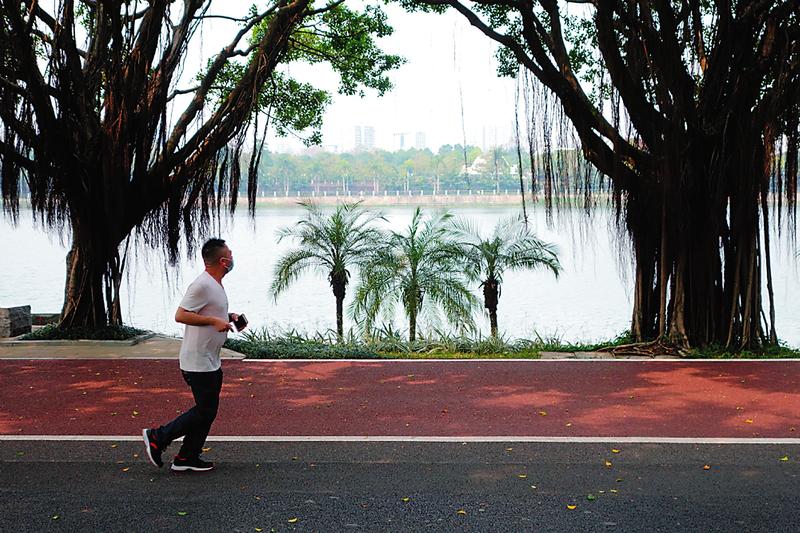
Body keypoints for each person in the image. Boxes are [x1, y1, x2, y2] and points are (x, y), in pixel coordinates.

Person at [143, 238, 245, 472]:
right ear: (223, 260)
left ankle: (187, 457)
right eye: (230, 254)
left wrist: (228, 317)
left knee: (207, 411)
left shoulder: (214, 285)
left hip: (210, 358)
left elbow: (209, 312)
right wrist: (212, 320)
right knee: (204, 410)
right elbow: (181, 315)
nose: (233, 257)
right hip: (197, 360)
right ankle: (158, 436)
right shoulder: (202, 285)